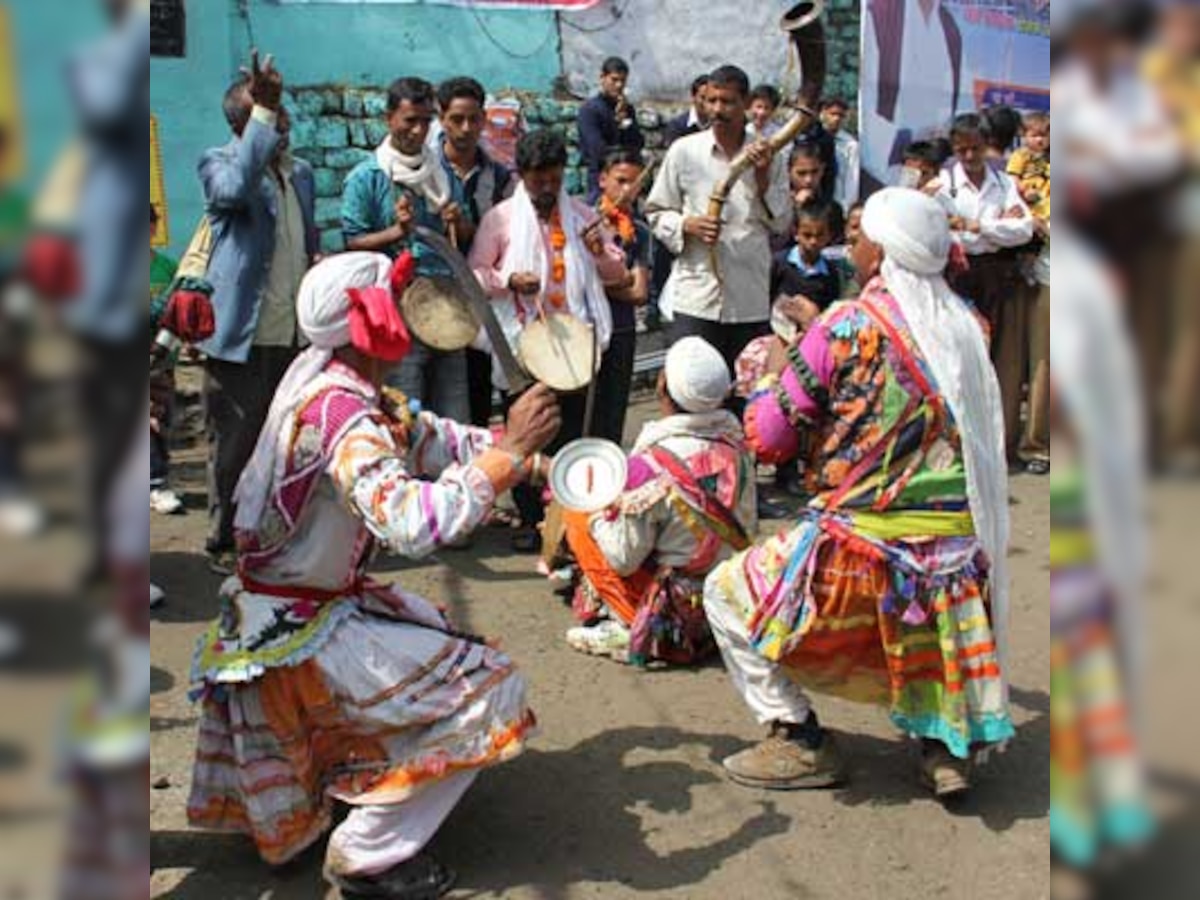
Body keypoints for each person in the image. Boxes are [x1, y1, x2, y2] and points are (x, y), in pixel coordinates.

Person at [187, 252, 563, 899]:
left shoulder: (338, 382)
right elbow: (415, 524)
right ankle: (368, 854)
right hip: (303, 625)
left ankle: (354, 794)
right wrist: (508, 457)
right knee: (491, 688)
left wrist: (531, 462)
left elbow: (434, 439)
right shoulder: (347, 420)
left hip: (296, 613)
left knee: (439, 644)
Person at [703, 188, 1014, 798]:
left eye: (863, 236)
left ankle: (799, 739)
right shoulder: (969, 327)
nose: (855, 246)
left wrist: (774, 370)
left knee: (723, 592)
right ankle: (943, 747)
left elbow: (767, 439)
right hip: (955, 554)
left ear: (882, 253)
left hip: (859, 554)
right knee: (924, 599)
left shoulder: (844, 326)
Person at [469, 129, 630, 550]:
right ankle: (530, 517)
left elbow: (619, 275)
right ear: (521, 175)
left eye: (553, 179)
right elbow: (474, 275)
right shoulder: (500, 219)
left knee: (573, 433)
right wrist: (508, 279)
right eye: (538, 179)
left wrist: (598, 252)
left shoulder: (581, 216)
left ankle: (571, 518)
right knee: (527, 431)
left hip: (575, 347)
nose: (546, 188)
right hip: (524, 346)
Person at [563, 337, 757, 665]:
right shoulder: (739, 451)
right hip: (728, 591)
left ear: (662, 384)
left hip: (675, 608)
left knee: (578, 512)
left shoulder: (649, 466)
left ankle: (630, 622)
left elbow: (622, 558)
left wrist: (598, 512)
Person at [198, 55, 318, 574]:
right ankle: (223, 539)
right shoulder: (218, 162)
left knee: (285, 442)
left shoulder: (303, 174)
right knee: (236, 444)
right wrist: (261, 119)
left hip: (293, 332)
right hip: (240, 335)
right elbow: (234, 192)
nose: (282, 121)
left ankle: (270, 533)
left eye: (281, 111)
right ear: (241, 125)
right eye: (269, 114)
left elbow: (308, 243)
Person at [646, 64, 791, 375]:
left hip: (749, 298)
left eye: (727, 102)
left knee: (745, 393)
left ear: (746, 103)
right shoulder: (684, 151)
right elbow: (656, 212)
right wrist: (687, 225)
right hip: (696, 295)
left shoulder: (769, 153)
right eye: (711, 101)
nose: (717, 109)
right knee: (692, 390)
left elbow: (781, 224)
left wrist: (763, 178)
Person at [341, 76, 469, 424]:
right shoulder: (367, 178)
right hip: (398, 315)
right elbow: (352, 242)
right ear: (389, 119)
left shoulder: (444, 176)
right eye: (410, 120)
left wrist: (457, 220)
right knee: (406, 420)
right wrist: (396, 232)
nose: (418, 130)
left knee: (454, 422)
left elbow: (468, 232)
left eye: (426, 121)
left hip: (447, 311)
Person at [939, 113, 1035, 462]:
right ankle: (956, 444)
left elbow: (1024, 228)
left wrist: (976, 225)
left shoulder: (1003, 181)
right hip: (960, 274)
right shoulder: (944, 183)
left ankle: (992, 446)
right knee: (961, 359)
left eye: (975, 149)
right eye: (961, 150)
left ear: (985, 146)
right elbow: (944, 230)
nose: (968, 157)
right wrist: (995, 227)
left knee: (995, 361)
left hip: (996, 276)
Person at [436, 76, 515, 428]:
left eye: (473, 119)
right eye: (456, 119)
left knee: (480, 396)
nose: (466, 128)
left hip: (485, 302)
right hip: (437, 303)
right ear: (441, 119)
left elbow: (511, 234)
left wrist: (474, 230)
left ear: (483, 119)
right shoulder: (425, 170)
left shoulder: (499, 177)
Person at [860, 0, 964, 189]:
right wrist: (905, 138)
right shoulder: (881, 14)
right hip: (887, 162)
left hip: (932, 167)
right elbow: (866, 103)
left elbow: (948, 104)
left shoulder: (949, 27)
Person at [593, 148, 651, 446]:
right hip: (586, 329)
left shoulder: (639, 232)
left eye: (634, 183)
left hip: (621, 329)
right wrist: (622, 279)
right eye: (620, 181)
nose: (627, 190)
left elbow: (640, 292)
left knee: (613, 413)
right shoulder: (584, 221)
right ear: (603, 180)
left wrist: (600, 283)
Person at [1007, 111, 1051, 475]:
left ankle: (1038, 443)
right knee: (1028, 363)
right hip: (1033, 271)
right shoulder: (1018, 168)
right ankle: (1023, 443)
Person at [148, 204, 183, 516]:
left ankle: (155, 479)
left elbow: (177, 316)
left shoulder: (168, 269)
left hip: (160, 361)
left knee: (161, 420)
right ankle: (156, 483)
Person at [577, 57, 645, 203]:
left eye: (622, 81)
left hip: (626, 178)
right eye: (614, 80)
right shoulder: (590, 110)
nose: (618, 85)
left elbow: (637, 143)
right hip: (600, 179)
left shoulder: (627, 109)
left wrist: (624, 120)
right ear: (603, 78)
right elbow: (596, 149)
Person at [820, 97, 860, 211]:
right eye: (833, 114)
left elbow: (852, 179)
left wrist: (847, 207)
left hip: (837, 202)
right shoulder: (814, 139)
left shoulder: (851, 145)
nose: (836, 118)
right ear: (823, 113)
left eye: (841, 115)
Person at [663, 74, 711, 147]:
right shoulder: (677, 126)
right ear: (693, 97)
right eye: (703, 97)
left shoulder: (721, 125)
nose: (707, 102)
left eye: (711, 98)